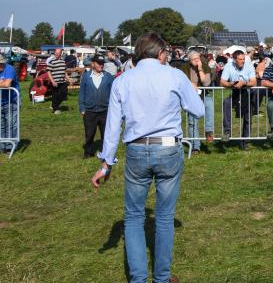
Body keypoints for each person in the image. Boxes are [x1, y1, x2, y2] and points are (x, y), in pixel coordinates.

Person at [92, 32, 204, 283]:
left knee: (133, 217)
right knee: (164, 217)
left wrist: (106, 163)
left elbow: (112, 126)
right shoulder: (175, 75)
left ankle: (139, 279)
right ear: (161, 53)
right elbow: (198, 111)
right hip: (167, 148)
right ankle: (162, 278)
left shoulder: (123, 80)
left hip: (136, 149)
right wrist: (191, 90)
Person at [78, 54, 114, 158]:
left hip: (105, 110)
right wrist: (82, 107)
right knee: (89, 134)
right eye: (99, 63)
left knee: (106, 134)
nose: (101, 66)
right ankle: (88, 152)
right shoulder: (86, 76)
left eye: (102, 64)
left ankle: (106, 153)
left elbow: (113, 94)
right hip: (90, 110)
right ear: (93, 64)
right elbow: (82, 93)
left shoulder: (108, 77)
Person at [220, 50, 257, 149]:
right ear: (234, 60)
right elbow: (222, 82)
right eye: (240, 59)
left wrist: (244, 83)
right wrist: (230, 84)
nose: (243, 61)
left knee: (248, 117)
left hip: (248, 93)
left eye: (243, 59)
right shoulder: (229, 66)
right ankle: (227, 131)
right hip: (235, 92)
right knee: (226, 103)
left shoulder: (249, 65)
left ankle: (245, 142)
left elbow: (254, 82)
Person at [181, 51, 213, 154]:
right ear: (189, 60)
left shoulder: (204, 66)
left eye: (198, 58)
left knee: (209, 106)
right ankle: (196, 146)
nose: (197, 61)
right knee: (192, 121)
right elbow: (181, 80)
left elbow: (206, 83)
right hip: (191, 96)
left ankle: (209, 131)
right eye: (194, 59)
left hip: (204, 94)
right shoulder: (184, 67)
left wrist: (200, 69)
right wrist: (190, 84)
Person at [0, 53, 20, 153]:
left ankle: (10, 146)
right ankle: (2, 145)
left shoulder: (9, 69)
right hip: (1, 101)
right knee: (1, 125)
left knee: (12, 124)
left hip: (12, 101)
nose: (0, 66)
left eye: (1, 64)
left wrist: (3, 84)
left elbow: (7, 84)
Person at [47, 48, 67, 114]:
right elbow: (48, 72)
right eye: (56, 53)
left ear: (60, 54)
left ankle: (54, 105)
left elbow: (64, 71)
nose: (56, 54)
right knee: (55, 95)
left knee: (64, 95)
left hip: (62, 82)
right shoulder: (51, 61)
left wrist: (69, 79)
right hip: (55, 81)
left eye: (58, 53)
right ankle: (56, 109)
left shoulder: (63, 61)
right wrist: (52, 81)